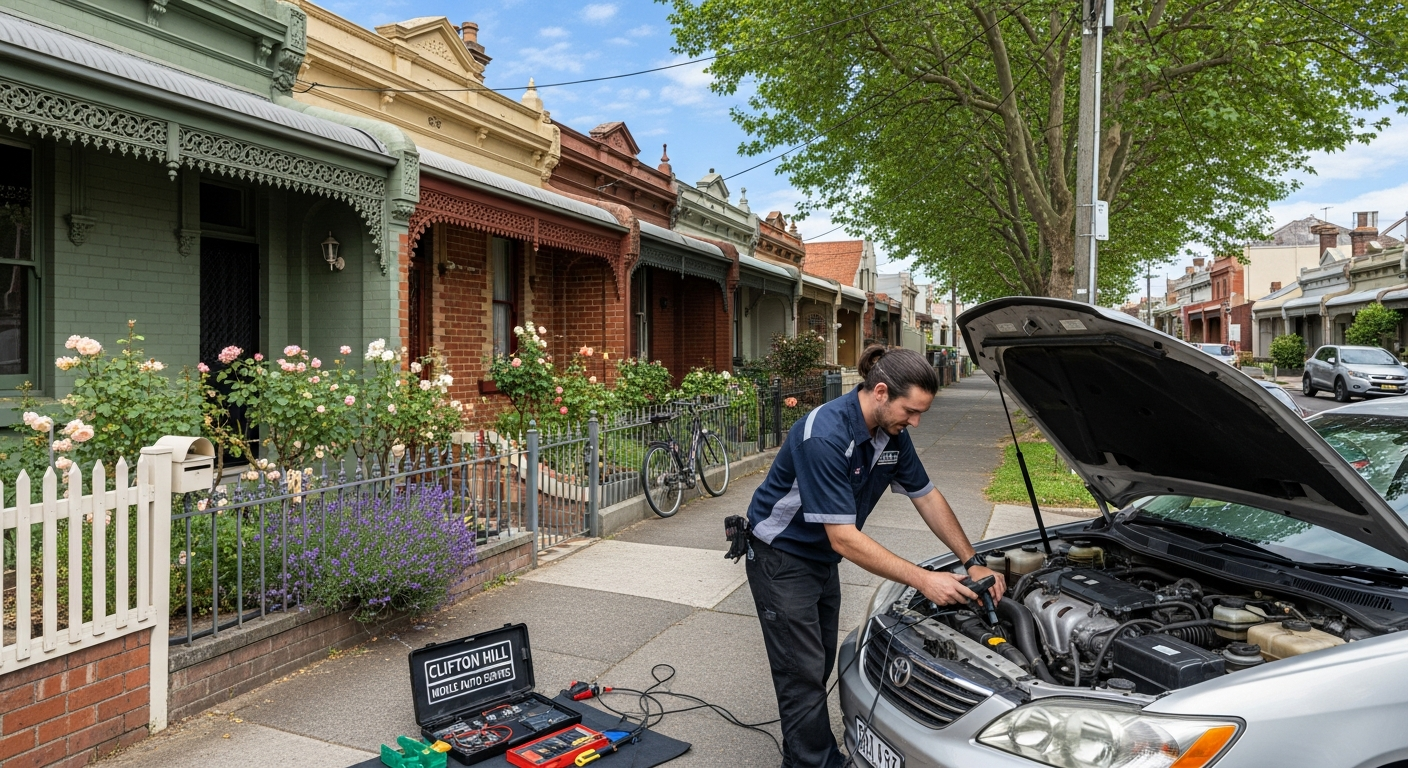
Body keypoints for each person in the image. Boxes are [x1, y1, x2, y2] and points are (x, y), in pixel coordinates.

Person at [744, 345, 1004, 768]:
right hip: (781, 558)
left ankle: (803, 752)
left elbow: (927, 497)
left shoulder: (891, 435)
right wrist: (924, 579)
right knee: (801, 672)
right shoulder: (825, 434)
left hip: (820, 559)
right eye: (911, 410)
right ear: (880, 392)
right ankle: (815, 763)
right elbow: (844, 538)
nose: (915, 422)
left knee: (818, 661)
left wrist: (971, 559)